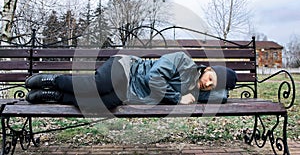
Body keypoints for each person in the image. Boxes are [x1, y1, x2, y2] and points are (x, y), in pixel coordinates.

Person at [25, 52, 237, 109]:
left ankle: (53, 95)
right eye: (211, 78)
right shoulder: (182, 61)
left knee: (101, 104)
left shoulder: (197, 93)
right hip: (126, 70)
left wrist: (223, 88)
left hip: (127, 93)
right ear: (207, 69)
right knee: (98, 86)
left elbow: (222, 97)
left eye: (213, 85)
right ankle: (50, 79)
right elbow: (154, 77)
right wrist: (177, 99)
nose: (208, 84)